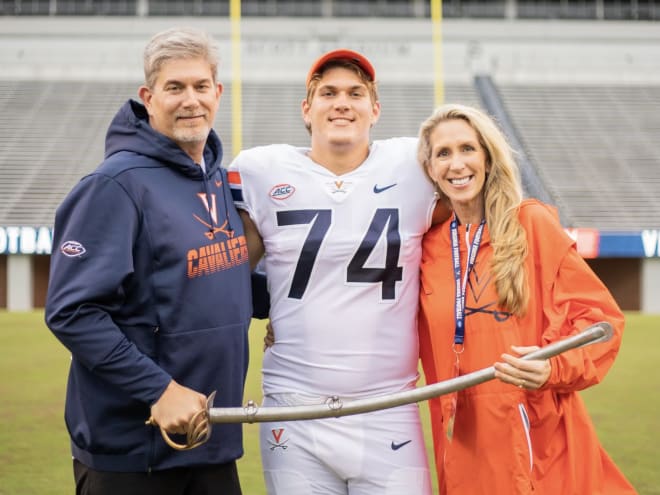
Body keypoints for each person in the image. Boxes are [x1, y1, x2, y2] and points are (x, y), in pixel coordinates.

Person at [44, 27, 251, 495]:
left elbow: (222, 283)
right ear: (148, 96)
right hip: (136, 453)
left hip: (212, 440)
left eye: (200, 86)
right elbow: (72, 312)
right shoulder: (114, 185)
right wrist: (159, 389)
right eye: (174, 87)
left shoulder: (216, 177)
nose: (190, 100)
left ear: (217, 92)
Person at [227, 49, 440, 494]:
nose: (342, 102)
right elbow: (229, 272)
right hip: (292, 407)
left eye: (355, 93)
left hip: (389, 405)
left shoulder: (415, 165)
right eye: (328, 92)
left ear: (375, 109)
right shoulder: (259, 171)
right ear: (307, 109)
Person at [416, 103, 638, 494]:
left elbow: (600, 322)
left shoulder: (531, 225)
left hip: (539, 434)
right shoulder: (428, 248)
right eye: (443, 153)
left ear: (487, 156)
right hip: (463, 440)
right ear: (430, 169)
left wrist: (554, 368)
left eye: (467, 148)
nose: (457, 164)